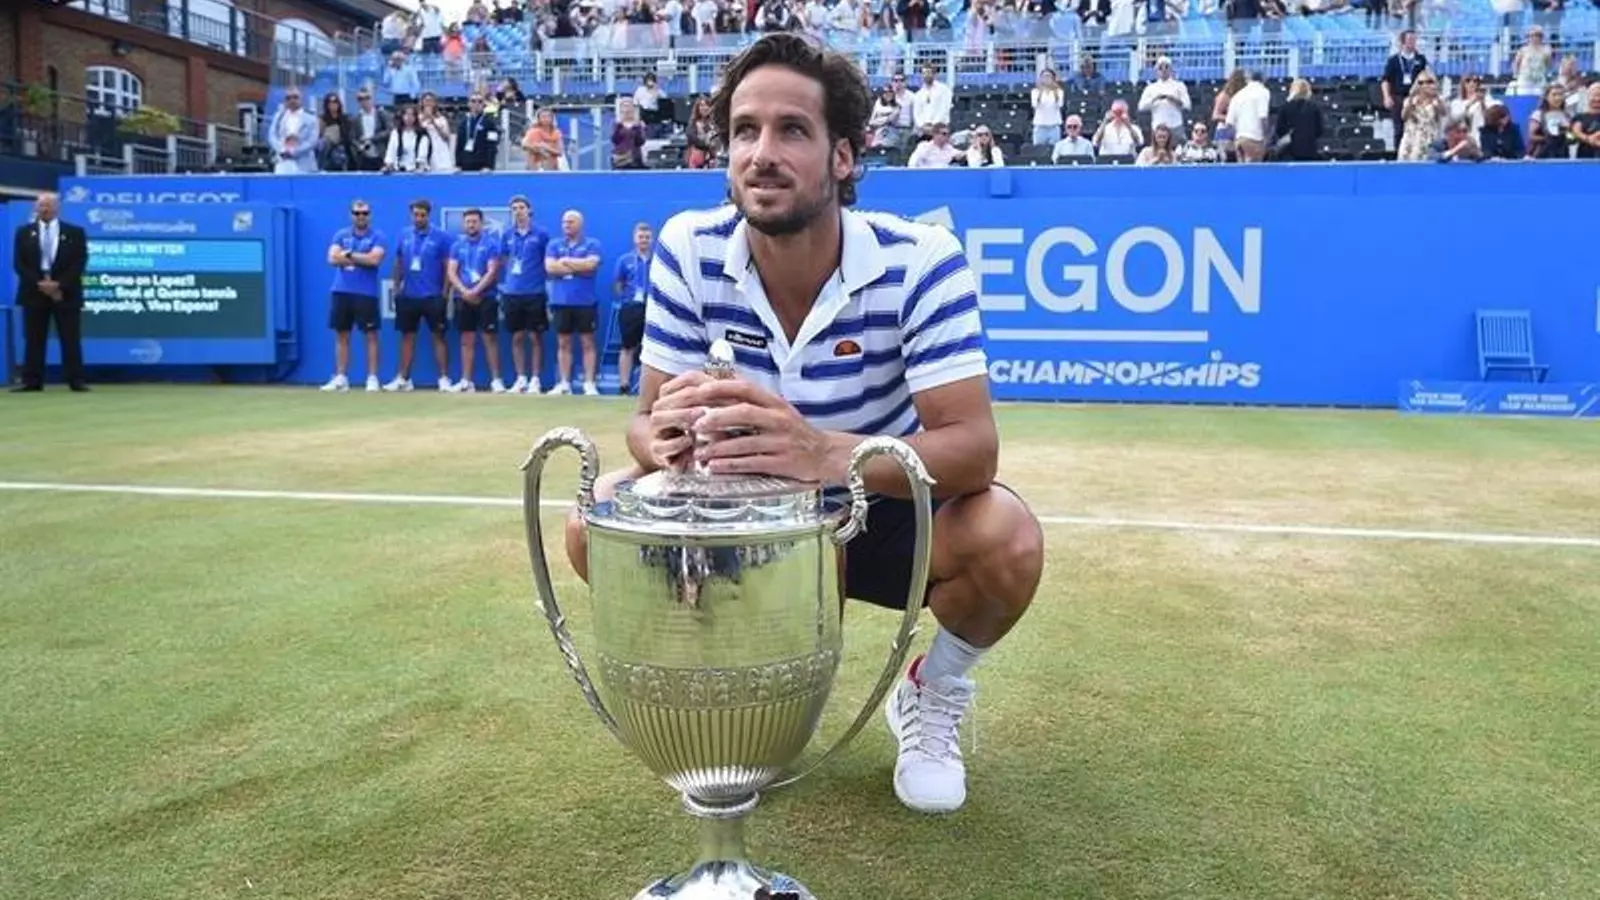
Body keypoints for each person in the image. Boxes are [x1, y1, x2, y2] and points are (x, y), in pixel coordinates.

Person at [562, 32, 1044, 816]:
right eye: (744, 131)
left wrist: (820, 453)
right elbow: (644, 427)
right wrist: (666, 440)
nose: (762, 153)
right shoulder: (688, 247)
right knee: (597, 519)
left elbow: (972, 450)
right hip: (748, 518)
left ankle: (933, 690)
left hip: (878, 505)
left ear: (843, 156)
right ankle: (738, 686)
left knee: (1006, 537)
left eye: (792, 130)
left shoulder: (922, 260)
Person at [12, 192, 89, 393]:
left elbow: (79, 262)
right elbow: (19, 263)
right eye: (41, 206)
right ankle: (32, 381)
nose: (45, 209)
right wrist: (41, 283)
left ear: (57, 208)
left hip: (66, 293)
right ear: (36, 208)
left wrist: (59, 285)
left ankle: (76, 380)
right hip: (33, 292)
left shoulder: (75, 233)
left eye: (48, 205)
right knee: (34, 339)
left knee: (70, 338)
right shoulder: (23, 232)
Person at [384, 198, 454, 392]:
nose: (419, 218)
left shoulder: (441, 236)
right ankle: (403, 379)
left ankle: (444, 379)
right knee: (407, 336)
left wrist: (444, 293)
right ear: (411, 215)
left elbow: (448, 265)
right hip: (409, 295)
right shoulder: (404, 234)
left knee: (438, 336)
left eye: (422, 215)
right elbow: (398, 262)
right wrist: (397, 287)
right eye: (416, 214)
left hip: (433, 295)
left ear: (428, 215)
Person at [321, 200, 388, 392]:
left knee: (371, 335)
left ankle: (372, 378)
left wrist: (349, 255)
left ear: (369, 215)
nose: (361, 217)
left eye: (364, 213)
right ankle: (341, 377)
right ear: (351, 215)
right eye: (357, 213)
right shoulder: (341, 235)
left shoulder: (378, 236)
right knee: (342, 334)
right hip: (341, 290)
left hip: (366, 293)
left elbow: (374, 260)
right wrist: (360, 257)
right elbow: (332, 258)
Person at [543, 209, 603, 396]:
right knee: (563, 342)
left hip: (585, 302)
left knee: (588, 342)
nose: (566, 225)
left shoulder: (592, 244)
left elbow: (591, 265)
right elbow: (550, 267)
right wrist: (578, 266)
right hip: (561, 302)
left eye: (570, 222)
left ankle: (589, 383)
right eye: (564, 222)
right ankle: (564, 383)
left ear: (580, 224)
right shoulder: (554, 244)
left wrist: (566, 261)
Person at [445, 208, 505, 392]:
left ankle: (496, 380)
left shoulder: (491, 244)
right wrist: (465, 292)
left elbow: (492, 271)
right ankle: (466, 381)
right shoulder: (457, 245)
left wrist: (476, 291)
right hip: (462, 297)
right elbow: (451, 271)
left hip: (486, 297)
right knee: (466, 339)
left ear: (481, 223)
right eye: (468, 222)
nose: (471, 225)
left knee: (489, 338)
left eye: (474, 221)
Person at [500, 195, 553, 394]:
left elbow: (547, 261)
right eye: (514, 208)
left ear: (529, 210)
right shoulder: (507, 234)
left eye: (521, 207)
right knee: (517, 336)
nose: (518, 212)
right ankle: (521, 378)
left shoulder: (542, 234)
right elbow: (505, 259)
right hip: (512, 292)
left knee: (535, 336)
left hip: (535, 292)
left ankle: (535, 379)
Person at [611, 221, 653, 395]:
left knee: (651, 349)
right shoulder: (625, 260)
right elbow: (618, 284)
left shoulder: (657, 260)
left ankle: (647, 387)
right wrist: (626, 299)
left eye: (647, 237)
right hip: (630, 307)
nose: (644, 240)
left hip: (652, 308)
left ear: (651, 240)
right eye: (641, 237)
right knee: (627, 346)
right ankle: (624, 385)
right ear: (635, 239)